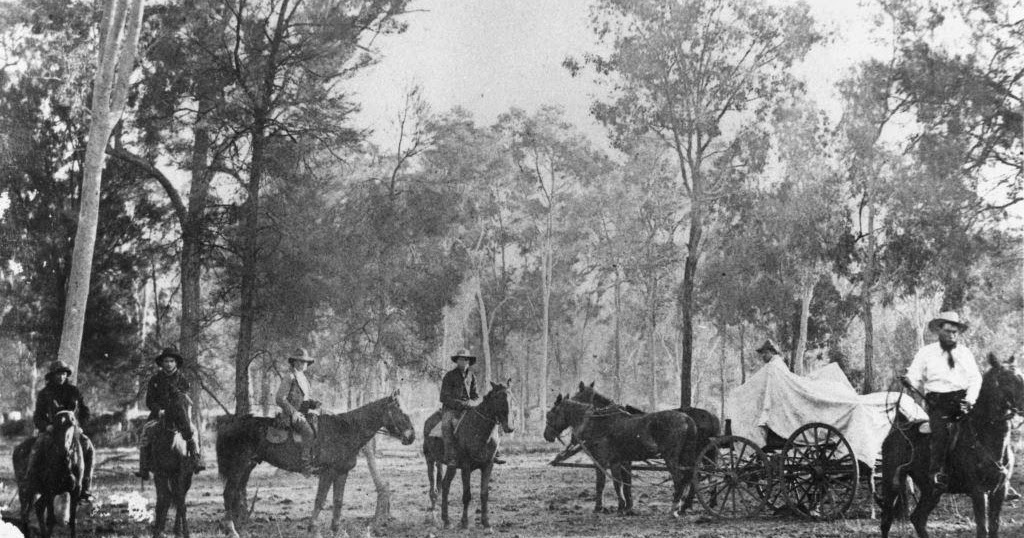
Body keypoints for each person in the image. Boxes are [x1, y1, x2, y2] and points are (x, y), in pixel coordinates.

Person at [903, 311, 982, 487]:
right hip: (939, 403)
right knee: (941, 432)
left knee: (987, 426)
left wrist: (970, 400)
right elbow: (914, 374)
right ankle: (937, 472)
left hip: (963, 401)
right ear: (939, 330)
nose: (952, 335)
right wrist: (909, 380)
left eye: (955, 332)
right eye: (947, 331)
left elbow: (975, 379)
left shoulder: (965, 353)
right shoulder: (926, 353)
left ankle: (995, 473)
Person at [26, 360, 95, 502]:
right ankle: (31, 481)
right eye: (58, 374)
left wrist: (80, 426)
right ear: (52, 376)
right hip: (52, 430)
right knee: (37, 447)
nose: (61, 377)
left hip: (71, 429)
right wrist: (46, 426)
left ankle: (85, 487)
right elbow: (37, 416)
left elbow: (85, 411)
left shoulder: (74, 391)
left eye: (64, 374)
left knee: (89, 447)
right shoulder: (45, 393)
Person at [136, 347, 204, 479]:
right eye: (166, 361)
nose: (168, 364)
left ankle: (195, 458)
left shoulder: (182, 380)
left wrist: (178, 408)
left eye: (171, 361)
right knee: (146, 431)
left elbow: (183, 399)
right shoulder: (155, 380)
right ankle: (144, 466)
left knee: (193, 431)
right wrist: (158, 410)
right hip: (159, 414)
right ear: (162, 363)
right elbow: (150, 401)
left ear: (176, 363)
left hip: (179, 414)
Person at [439, 349, 506, 465]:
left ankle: (494, 451)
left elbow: (475, 395)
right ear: (457, 361)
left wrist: (472, 402)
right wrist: (460, 404)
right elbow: (444, 397)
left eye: (466, 360)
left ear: (469, 362)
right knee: (446, 425)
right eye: (461, 359)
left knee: (490, 421)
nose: (464, 362)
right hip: (452, 409)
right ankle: (451, 455)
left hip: (468, 408)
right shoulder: (449, 376)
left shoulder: (471, 376)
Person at [275, 347, 320, 473]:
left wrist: (314, 404)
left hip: (303, 413)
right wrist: (294, 412)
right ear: (294, 362)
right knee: (309, 432)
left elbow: (304, 399)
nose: (304, 364)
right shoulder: (290, 377)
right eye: (300, 361)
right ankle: (305, 464)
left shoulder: (304, 378)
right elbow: (280, 398)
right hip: (290, 416)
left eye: (305, 362)